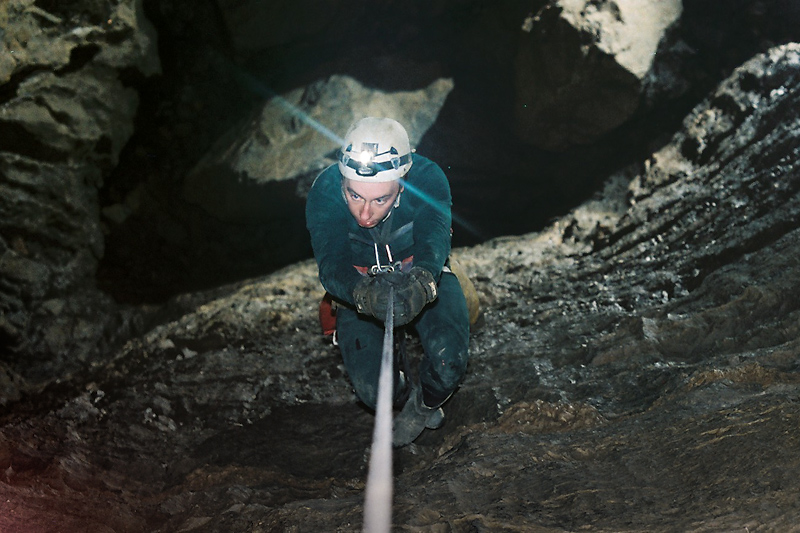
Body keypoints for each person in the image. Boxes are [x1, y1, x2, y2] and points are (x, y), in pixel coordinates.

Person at [306, 117, 470, 447]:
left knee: (449, 359)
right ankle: (404, 392)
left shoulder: (426, 179)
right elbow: (331, 264)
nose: (364, 215)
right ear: (342, 181)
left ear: (402, 184)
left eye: (379, 199)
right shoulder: (325, 192)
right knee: (372, 392)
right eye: (354, 196)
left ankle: (424, 403)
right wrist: (362, 293)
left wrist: (423, 281)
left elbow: (434, 239)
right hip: (360, 283)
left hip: (418, 270)